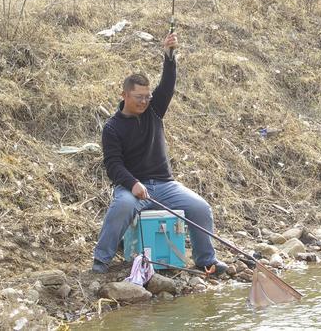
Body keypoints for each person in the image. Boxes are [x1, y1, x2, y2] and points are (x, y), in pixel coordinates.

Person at [92, 32, 227, 275]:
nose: (144, 102)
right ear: (124, 95)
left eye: (147, 97)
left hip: (165, 185)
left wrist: (169, 56)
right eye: (138, 97)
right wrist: (132, 183)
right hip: (131, 188)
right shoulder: (112, 128)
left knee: (200, 208)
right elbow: (113, 165)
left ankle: (206, 260)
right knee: (122, 207)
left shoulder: (154, 111)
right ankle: (101, 260)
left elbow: (167, 85)